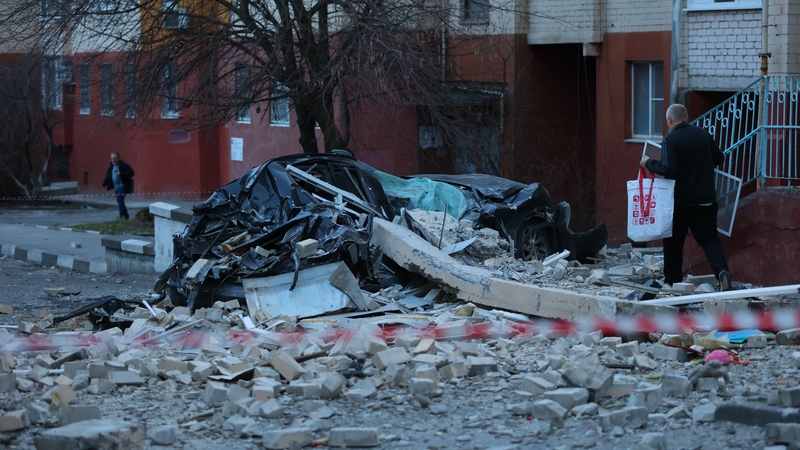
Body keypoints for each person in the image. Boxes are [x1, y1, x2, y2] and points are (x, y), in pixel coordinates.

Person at [639, 103, 733, 292]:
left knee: (673, 241)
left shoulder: (671, 139)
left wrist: (648, 162)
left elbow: (669, 170)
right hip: (707, 200)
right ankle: (722, 272)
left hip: (680, 202)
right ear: (686, 117)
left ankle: (673, 281)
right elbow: (719, 158)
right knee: (710, 239)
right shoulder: (703, 134)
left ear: (669, 120)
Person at [102, 152, 135, 220]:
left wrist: (121, 174)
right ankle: (125, 215)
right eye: (112, 158)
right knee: (119, 200)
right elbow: (109, 173)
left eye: (115, 158)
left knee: (120, 199)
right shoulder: (112, 164)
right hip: (116, 186)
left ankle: (122, 216)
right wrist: (104, 183)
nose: (113, 160)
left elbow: (131, 173)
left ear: (118, 158)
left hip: (123, 186)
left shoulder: (123, 164)